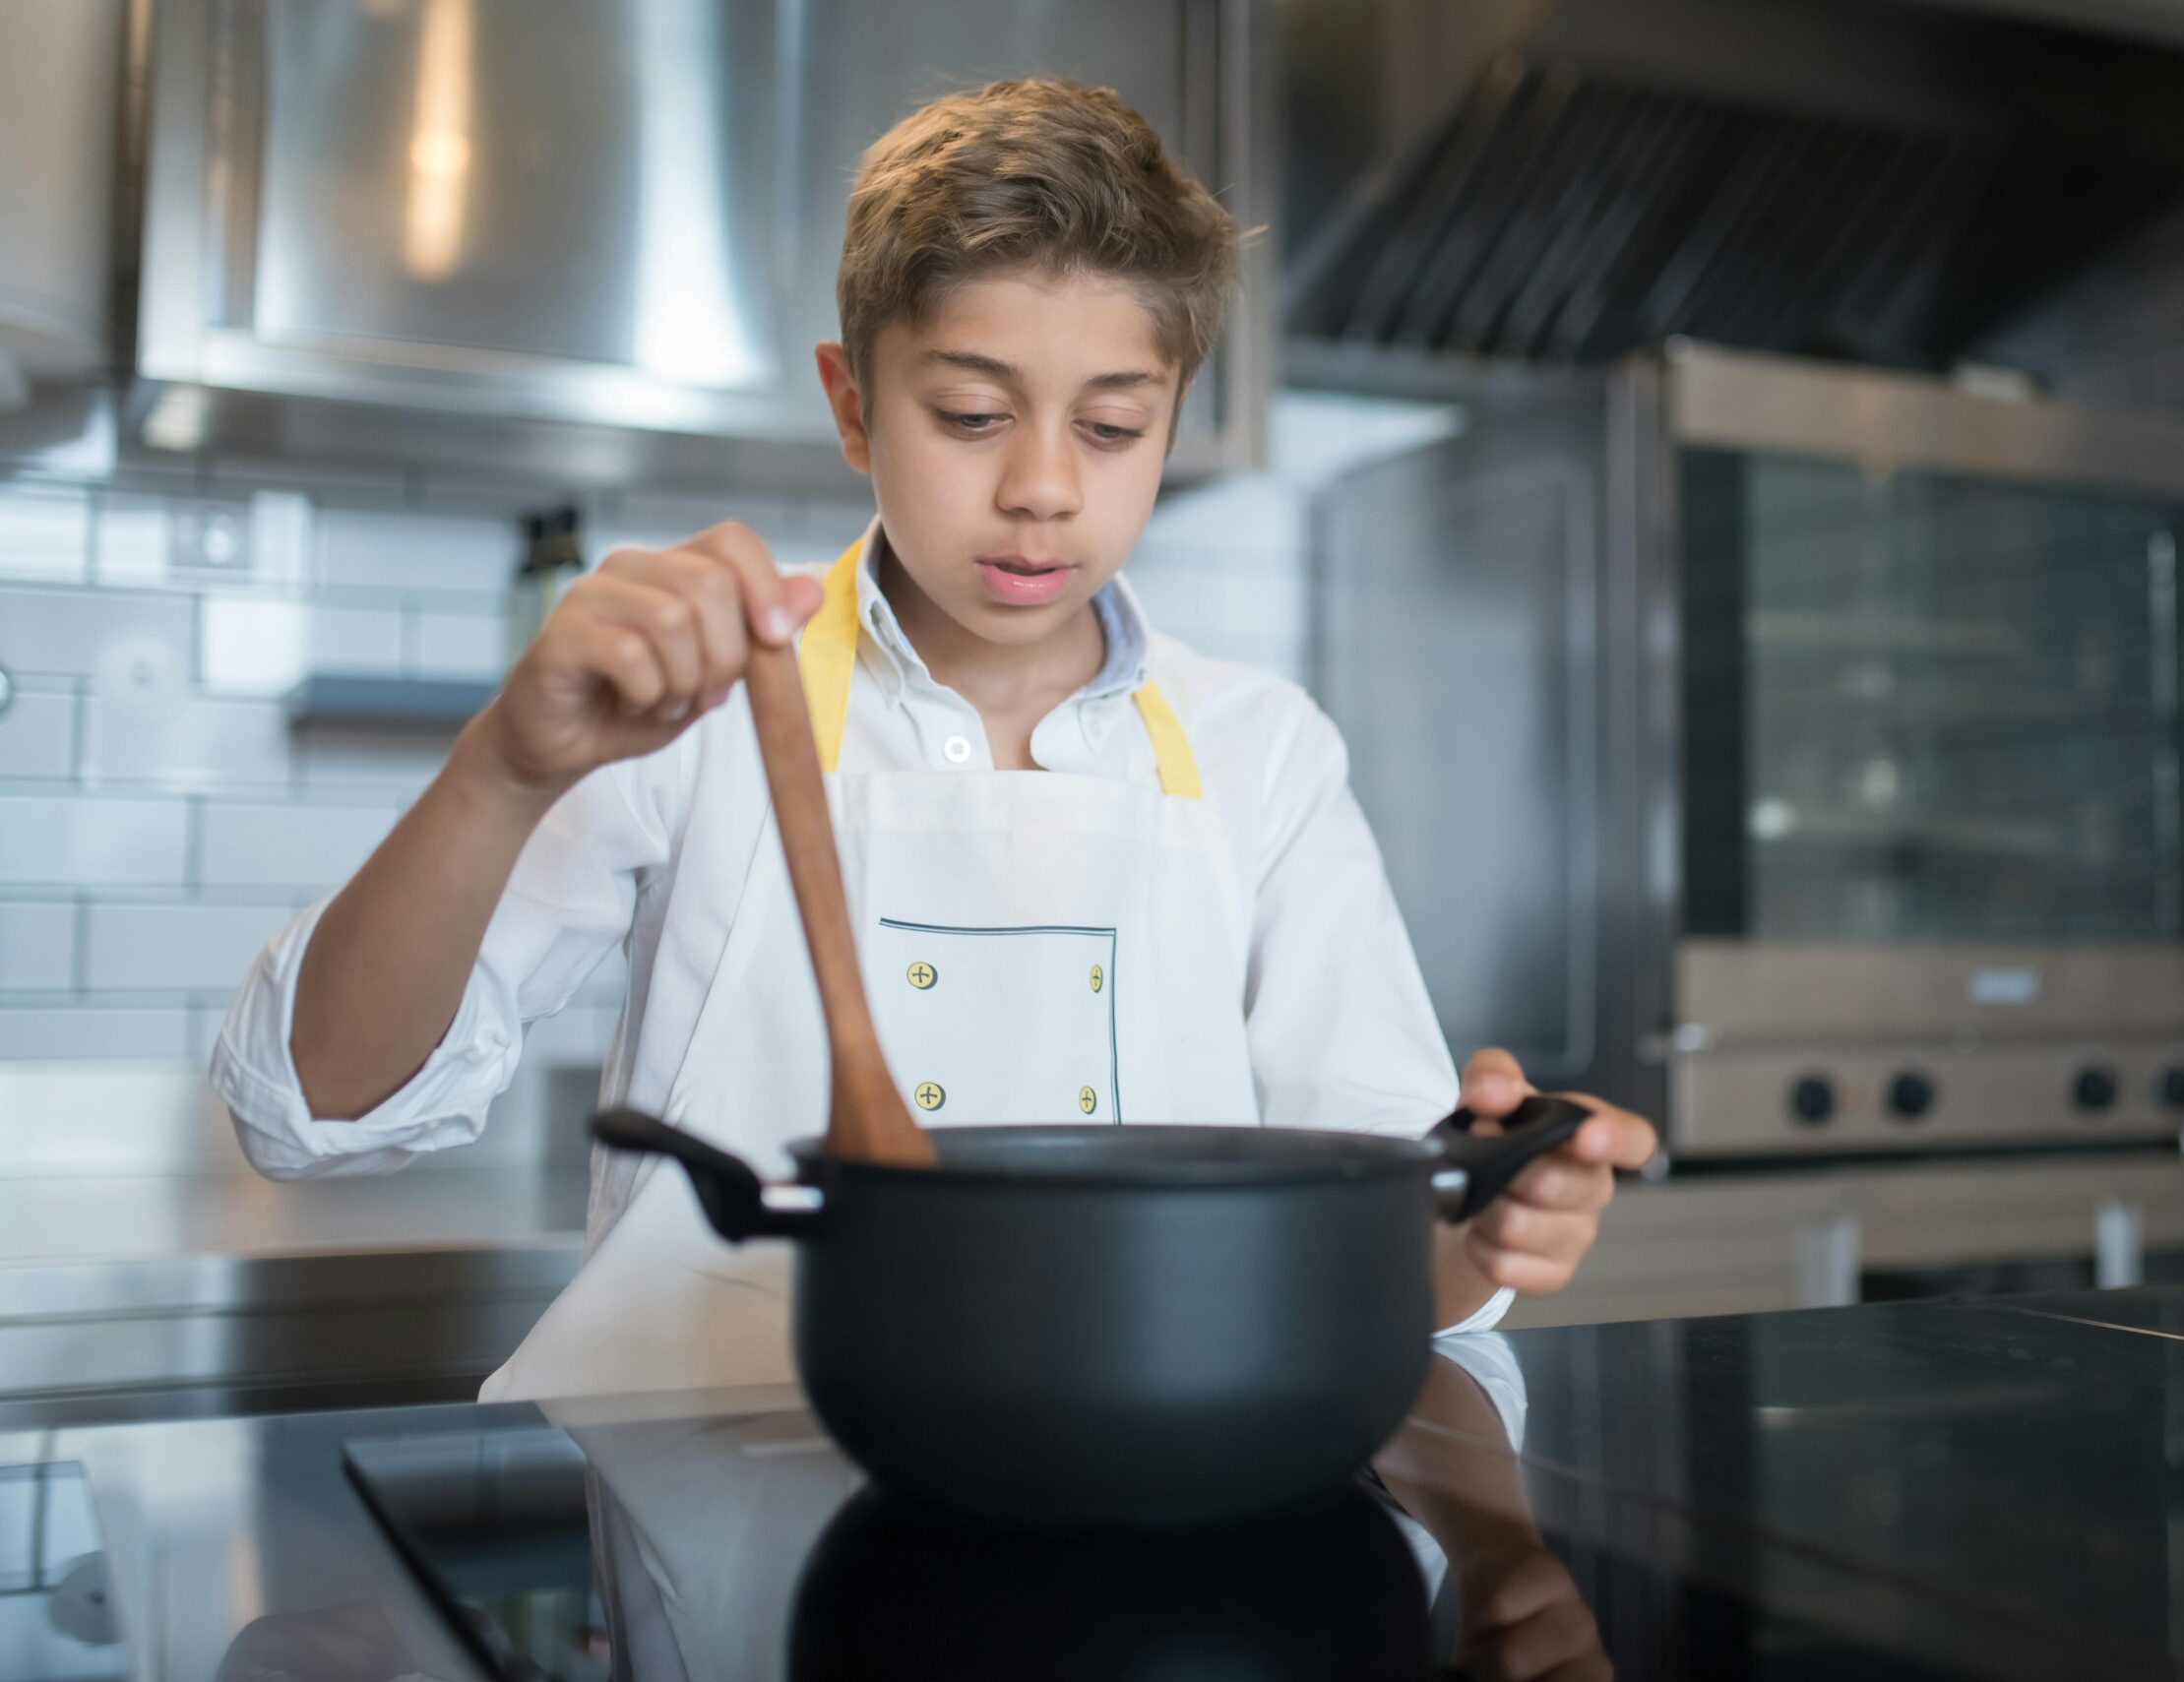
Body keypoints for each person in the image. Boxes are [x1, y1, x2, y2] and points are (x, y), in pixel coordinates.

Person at [211, 76, 1658, 1401]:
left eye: (1110, 426)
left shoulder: (1260, 752)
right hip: (707, 1490)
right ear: (853, 404)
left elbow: (1385, 1247)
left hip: (1135, 1487)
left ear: (1172, 420)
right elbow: (314, 1112)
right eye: (971, 412)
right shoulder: (701, 706)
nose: (1040, 488)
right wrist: (510, 766)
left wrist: (1492, 1232)